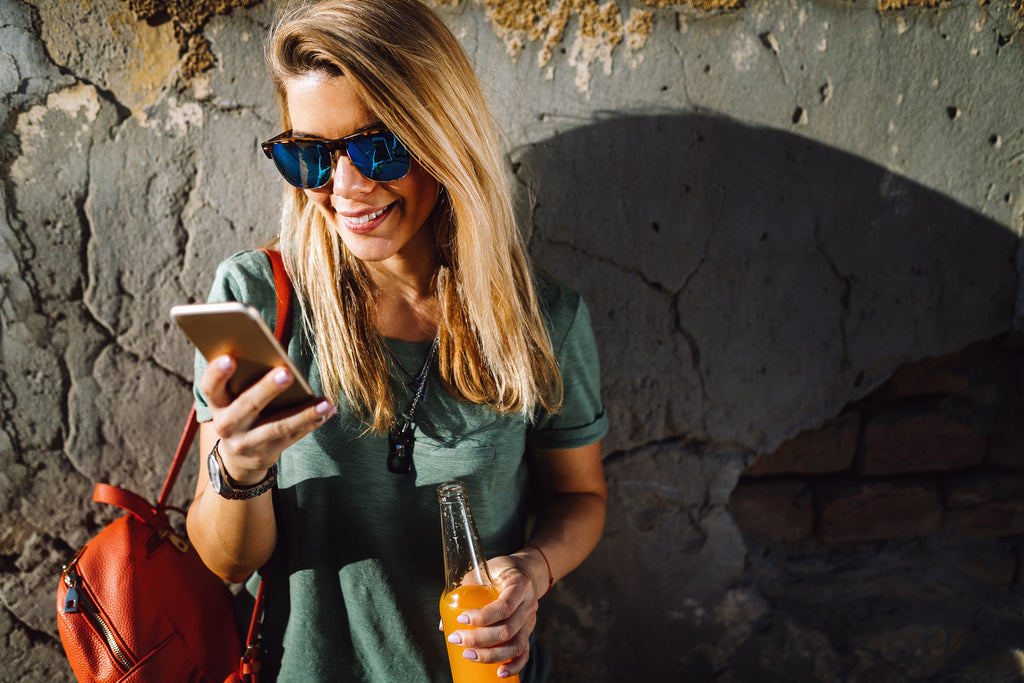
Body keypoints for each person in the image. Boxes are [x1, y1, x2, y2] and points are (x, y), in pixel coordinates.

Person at [185, 1, 608, 680]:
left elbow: (580, 497)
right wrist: (237, 470)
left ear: (443, 134)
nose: (345, 188)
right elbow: (227, 562)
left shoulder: (543, 317)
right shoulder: (257, 298)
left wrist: (535, 568)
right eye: (310, 156)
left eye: (378, 147)